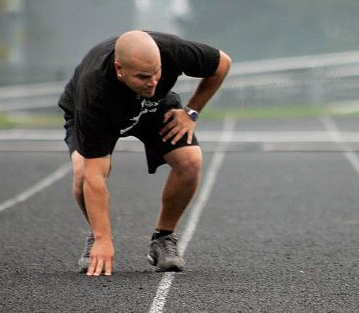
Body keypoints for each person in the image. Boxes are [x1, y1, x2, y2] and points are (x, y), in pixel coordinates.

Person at [58, 30, 231, 276]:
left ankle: (163, 239)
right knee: (82, 173)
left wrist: (191, 111)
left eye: (156, 73)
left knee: (190, 161)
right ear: (119, 69)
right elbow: (95, 176)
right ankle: (97, 238)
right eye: (142, 76)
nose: (152, 81)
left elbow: (222, 63)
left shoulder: (171, 51)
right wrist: (103, 238)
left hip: (153, 106)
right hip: (98, 111)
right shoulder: (94, 90)